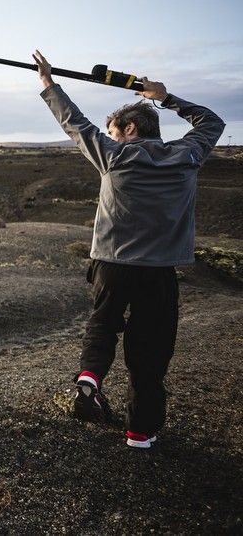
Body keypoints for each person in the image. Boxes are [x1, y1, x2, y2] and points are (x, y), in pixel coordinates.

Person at [32, 50, 225, 449]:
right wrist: (165, 97)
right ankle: (140, 431)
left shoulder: (114, 157)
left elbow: (74, 123)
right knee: (150, 349)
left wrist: (49, 84)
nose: (112, 136)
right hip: (159, 270)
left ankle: (91, 374)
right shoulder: (187, 156)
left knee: (103, 322)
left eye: (115, 130)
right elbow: (213, 121)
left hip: (111, 264)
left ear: (131, 128)